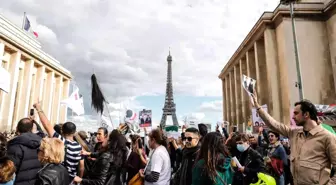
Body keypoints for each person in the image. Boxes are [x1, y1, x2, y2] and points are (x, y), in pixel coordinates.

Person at [252, 94, 336, 184]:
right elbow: (274, 125)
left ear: (306, 114)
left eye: (296, 113)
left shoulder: (327, 137)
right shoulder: (294, 134)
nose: (293, 117)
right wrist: (257, 106)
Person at [6, 118, 42, 185]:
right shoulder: (41, 144)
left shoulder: (15, 145)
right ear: (31, 129)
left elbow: (8, 171)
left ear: (17, 128)